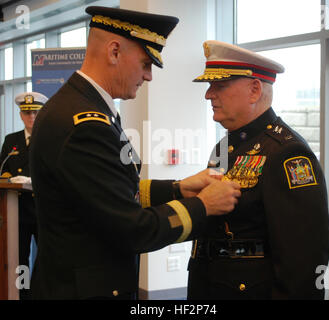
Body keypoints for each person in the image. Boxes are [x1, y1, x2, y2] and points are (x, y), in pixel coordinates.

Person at [29, 7, 241, 300]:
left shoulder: (80, 107)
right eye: (145, 63)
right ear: (114, 51)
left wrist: (179, 187)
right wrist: (203, 205)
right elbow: (132, 230)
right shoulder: (86, 124)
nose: (149, 76)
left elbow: (109, 193)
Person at [187, 40, 329, 300]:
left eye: (219, 85)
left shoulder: (287, 152)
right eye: (209, 86)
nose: (208, 95)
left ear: (254, 90)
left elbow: (304, 259)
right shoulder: (225, 147)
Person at [0, 91, 48, 300]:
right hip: (17, 210)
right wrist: (10, 177)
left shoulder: (50, 139)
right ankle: (24, 293)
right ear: (20, 115)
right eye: (27, 113)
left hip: (42, 208)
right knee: (20, 258)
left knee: (47, 256)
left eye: (35, 113)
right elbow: (2, 170)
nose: (31, 117)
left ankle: (43, 293)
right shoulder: (11, 140)